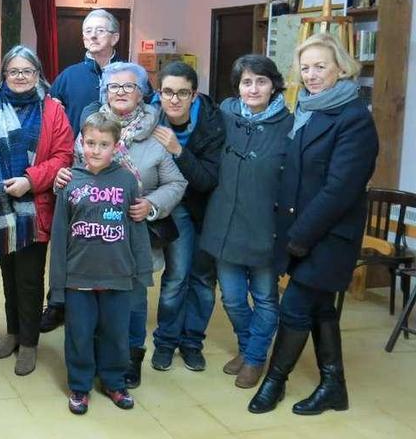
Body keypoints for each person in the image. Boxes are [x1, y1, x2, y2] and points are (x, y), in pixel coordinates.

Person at [249, 33, 378, 415]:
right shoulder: (308, 109)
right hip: (302, 230)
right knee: (321, 310)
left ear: (341, 67)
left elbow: (340, 190)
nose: (312, 75)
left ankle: (275, 382)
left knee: (295, 308)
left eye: (321, 66)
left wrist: (299, 236)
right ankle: (334, 385)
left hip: (328, 236)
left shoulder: (354, 118)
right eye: (305, 68)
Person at [55, 61, 187, 388]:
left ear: (142, 92)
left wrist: (152, 204)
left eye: (129, 86)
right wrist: (61, 178)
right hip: (90, 245)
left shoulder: (156, 134)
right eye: (114, 87)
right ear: (105, 92)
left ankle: (130, 359)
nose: (121, 92)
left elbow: (176, 183)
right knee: (93, 308)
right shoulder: (90, 129)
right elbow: (75, 175)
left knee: (133, 302)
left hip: (132, 237)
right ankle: (96, 362)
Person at [49, 111, 153, 415]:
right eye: (90, 142)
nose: (95, 150)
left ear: (116, 146)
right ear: (81, 142)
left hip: (118, 276)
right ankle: (79, 386)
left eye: (103, 144)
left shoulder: (126, 180)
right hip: (78, 277)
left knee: (116, 333)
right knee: (79, 334)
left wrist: (141, 271)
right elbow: (59, 236)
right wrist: (57, 286)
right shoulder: (69, 181)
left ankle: (114, 381)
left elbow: (137, 229)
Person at [200, 55, 292, 389]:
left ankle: (254, 359)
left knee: (265, 297)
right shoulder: (224, 115)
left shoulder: (290, 123)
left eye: (261, 81)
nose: (253, 88)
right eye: (246, 82)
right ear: (238, 86)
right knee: (233, 297)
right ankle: (248, 346)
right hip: (225, 221)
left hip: (266, 224)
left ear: (274, 85)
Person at [0, 45, 74, 376]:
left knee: (30, 278)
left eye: (27, 71)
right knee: (7, 275)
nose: (20, 77)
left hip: (35, 207)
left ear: (38, 75)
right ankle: (13, 332)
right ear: (3, 74)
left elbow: (64, 156)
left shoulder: (52, 111)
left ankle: (30, 343)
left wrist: (29, 181)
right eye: (13, 71)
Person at [43, 9, 127, 331]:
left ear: (115, 37)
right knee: (65, 238)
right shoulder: (69, 76)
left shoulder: (127, 75)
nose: (92, 36)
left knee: (105, 238)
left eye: (100, 30)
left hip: (115, 174)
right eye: (87, 31)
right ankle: (57, 301)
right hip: (74, 171)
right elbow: (51, 119)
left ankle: (102, 301)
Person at [143, 61, 224, 376]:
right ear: (159, 94)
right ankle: (165, 342)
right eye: (167, 92)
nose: (174, 99)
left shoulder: (214, 124)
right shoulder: (150, 120)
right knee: (176, 277)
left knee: (203, 279)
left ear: (194, 94)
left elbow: (206, 180)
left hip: (208, 207)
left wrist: (178, 150)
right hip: (174, 207)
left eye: (182, 93)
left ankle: (192, 343)